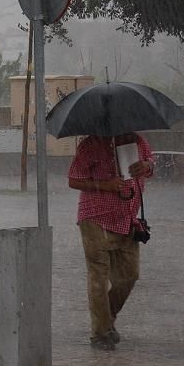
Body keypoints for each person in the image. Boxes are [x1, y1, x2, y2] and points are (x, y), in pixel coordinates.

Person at [67, 131, 155, 350]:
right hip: (95, 219)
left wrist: (146, 166)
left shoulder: (137, 140)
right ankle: (101, 333)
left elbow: (151, 162)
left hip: (127, 220)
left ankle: (106, 319)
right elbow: (73, 179)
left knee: (129, 275)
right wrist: (104, 185)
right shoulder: (90, 145)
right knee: (98, 275)